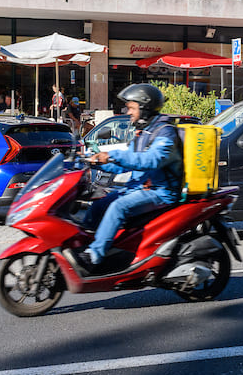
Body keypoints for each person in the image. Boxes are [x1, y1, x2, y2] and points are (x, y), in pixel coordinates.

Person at [70, 83, 184, 273]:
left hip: (161, 192)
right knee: (99, 204)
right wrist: (96, 162)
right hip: (139, 188)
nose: (128, 112)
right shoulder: (143, 132)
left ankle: (94, 256)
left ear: (145, 107)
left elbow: (151, 160)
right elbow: (124, 163)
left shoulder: (165, 132)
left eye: (131, 107)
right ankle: (85, 245)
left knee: (118, 207)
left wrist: (113, 155)